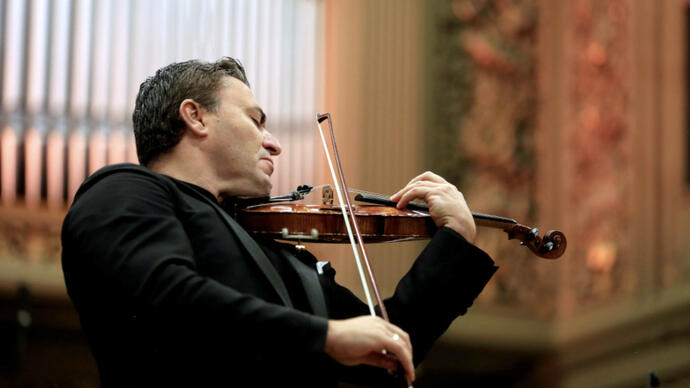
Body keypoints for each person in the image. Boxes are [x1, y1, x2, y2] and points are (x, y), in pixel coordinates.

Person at [61, 57, 497, 387]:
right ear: (195, 117)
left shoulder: (274, 251)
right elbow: (168, 299)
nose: (274, 144)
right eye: (255, 120)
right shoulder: (123, 190)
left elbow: (389, 346)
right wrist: (324, 335)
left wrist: (455, 241)